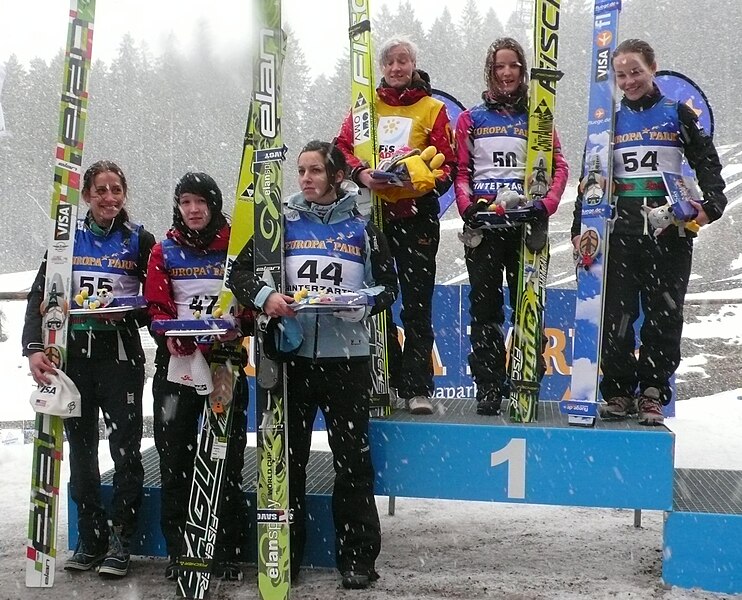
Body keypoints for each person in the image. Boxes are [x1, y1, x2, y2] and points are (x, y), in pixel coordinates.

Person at [228, 140, 397, 589]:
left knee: (352, 463)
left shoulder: (362, 225)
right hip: (293, 362)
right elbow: (239, 274)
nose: (305, 178)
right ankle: (286, 555)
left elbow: (389, 289)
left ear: (336, 175)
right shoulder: (280, 222)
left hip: (348, 361)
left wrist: (360, 304)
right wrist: (269, 299)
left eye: (315, 170)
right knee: (288, 461)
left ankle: (358, 558)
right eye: (301, 171)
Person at [571, 39, 727, 426]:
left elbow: (706, 160)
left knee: (664, 316)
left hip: (669, 233)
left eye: (636, 71)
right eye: (621, 75)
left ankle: (653, 393)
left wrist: (713, 204)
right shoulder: (608, 121)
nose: (629, 81)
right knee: (618, 316)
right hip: (619, 234)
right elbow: (590, 179)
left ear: (653, 67)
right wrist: (580, 227)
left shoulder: (677, 113)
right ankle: (619, 392)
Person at [22, 160, 155, 577]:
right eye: (101, 190)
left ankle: (121, 539)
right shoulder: (66, 240)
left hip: (119, 358)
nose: (109, 198)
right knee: (81, 454)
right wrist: (34, 349)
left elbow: (156, 303)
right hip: (74, 358)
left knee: (125, 450)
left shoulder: (140, 239)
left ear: (125, 194)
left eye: (116, 190)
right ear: (87, 196)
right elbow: (39, 296)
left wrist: (130, 314)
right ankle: (91, 537)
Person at [336, 37, 456, 415]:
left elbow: (449, 164)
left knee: (417, 305)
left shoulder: (432, 108)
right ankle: (383, 378)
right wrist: (360, 174)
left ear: (414, 64)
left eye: (403, 61)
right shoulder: (365, 107)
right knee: (377, 302)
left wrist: (423, 181)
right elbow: (339, 149)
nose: (396, 68)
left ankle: (417, 386)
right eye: (389, 62)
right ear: (382, 68)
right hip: (374, 218)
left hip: (417, 216)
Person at [144, 172, 249, 581]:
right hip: (178, 365)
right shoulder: (164, 249)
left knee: (224, 458)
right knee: (176, 459)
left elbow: (249, 303)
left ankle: (225, 549)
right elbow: (156, 308)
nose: (193, 210)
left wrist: (239, 323)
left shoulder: (233, 247)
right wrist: (168, 334)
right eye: (186, 202)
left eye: (201, 202)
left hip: (224, 362)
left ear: (214, 204)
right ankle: (180, 551)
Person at [455, 38, 569, 415]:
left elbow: (560, 167)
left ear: (523, 71)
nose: (507, 73)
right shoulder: (471, 119)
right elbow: (461, 172)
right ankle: (488, 385)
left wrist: (545, 206)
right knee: (484, 310)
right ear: (491, 70)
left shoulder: (538, 118)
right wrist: (468, 207)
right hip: (486, 225)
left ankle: (526, 377)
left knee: (528, 305)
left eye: (514, 66)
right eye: (500, 66)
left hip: (526, 225)